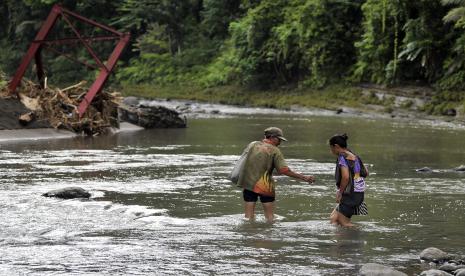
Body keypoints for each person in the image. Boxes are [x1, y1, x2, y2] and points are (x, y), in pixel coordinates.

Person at [236, 127, 315, 223]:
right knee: (270, 218)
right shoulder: (275, 150)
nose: (280, 142)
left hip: (248, 184)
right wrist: (304, 177)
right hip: (265, 186)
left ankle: (249, 234)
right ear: (273, 138)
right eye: (279, 139)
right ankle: (269, 235)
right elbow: (284, 170)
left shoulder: (252, 145)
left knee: (248, 218)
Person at [328, 133, 368, 227]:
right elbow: (366, 172)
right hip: (357, 194)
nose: (331, 151)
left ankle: (359, 235)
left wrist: (340, 193)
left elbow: (345, 177)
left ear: (336, 146)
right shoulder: (354, 156)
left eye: (331, 148)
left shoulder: (342, 157)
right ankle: (339, 240)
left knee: (344, 222)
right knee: (334, 218)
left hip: (350, 195)